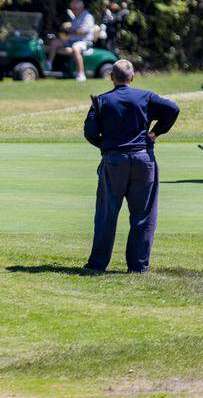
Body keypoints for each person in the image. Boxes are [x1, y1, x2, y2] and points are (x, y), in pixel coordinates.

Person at [82, 59, 180, 273]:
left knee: (106, 213)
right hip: (143, 159)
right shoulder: (146, 97)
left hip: (114, 161)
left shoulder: (101, 101)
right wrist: (155, 132)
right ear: (132, 77)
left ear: (111, 77)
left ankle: (97, 264)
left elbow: (90, 132)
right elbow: (173, 109)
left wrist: (106, 146)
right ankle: (138, 266)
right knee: (143, 214)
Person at [46, 0, 95, 81]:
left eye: (74, 9)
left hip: (83, 41)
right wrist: (65, 29)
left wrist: (70, 31)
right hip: (71, 40)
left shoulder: (87, 17)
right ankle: (49, 64)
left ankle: (81, 73)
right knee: (55, 42)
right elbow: (72, 30)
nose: (73, 11)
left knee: (75, 48)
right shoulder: (75, 17)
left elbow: (83, 31)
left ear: (80, 8)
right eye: (72, 9)